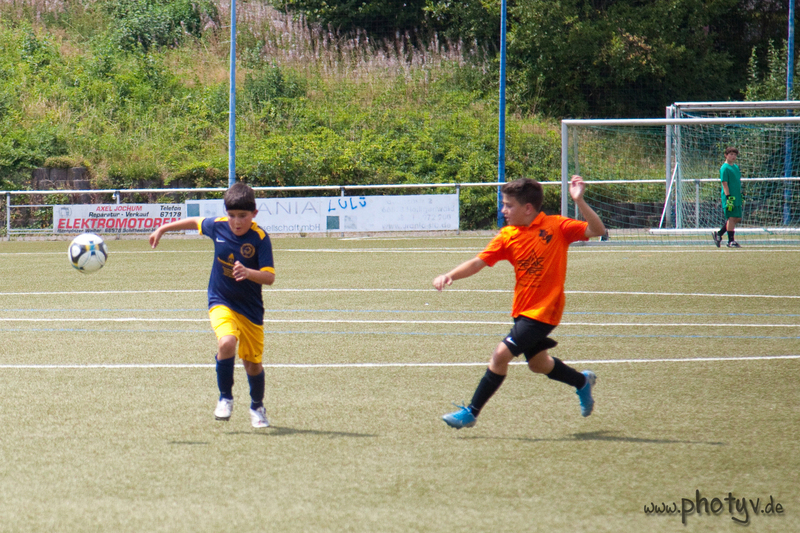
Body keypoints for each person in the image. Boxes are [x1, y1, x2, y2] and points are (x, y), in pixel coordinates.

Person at [433, 175, 607, 429]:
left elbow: (598, 231)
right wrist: (450, 275)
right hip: (522, 311)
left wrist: (579, 201)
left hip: (545, 311)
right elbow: (478, 262)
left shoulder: (556, 226)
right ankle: (582, 381)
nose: (503, 210)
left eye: (508, 205)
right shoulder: (508, 235)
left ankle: (471, 412)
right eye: (503, 205)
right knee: (538, 364)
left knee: (500, 355)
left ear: (527, 208)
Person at [149, 182, 276, 428]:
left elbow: (269, 277)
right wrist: (163, 228)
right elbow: (195, 222)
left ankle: (257, 406)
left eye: (243, 216)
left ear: (254, 214)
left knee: (252, 365)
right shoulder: (218, 226)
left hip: (250, 310)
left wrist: (248, 272)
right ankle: (225, 397)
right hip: (221, 301)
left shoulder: (260, 238)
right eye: (232, 215)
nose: (236, 222)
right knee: (226, 342)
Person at [712, 147, 743, 248]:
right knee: (731, 217)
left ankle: (719, 234)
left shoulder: (736, 167)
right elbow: (724, 183)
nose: (733, 156)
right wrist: (728, 196)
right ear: (726, 155)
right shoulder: (724, 168)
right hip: (730, 197)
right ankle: (731, 241)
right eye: (731, 154)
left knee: (737, 218)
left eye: (735, 155)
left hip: (737, 196)